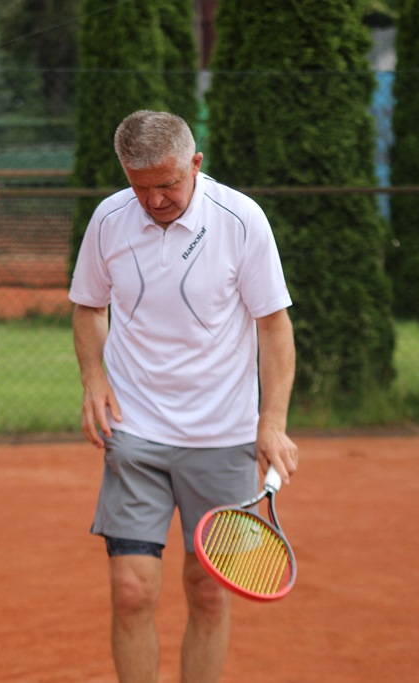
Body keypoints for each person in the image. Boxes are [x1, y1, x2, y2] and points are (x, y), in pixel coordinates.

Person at [69, 110, 298, 682]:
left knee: (209, 593)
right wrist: (92, 378)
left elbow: (273, 327)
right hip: (137, 429)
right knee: (130, 590)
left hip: (223, 439)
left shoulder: (241, 220)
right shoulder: (109, 220)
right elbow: (89, 306)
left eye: (167, 184)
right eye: (139, 186)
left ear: (196, 163)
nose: (154, 200)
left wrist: (271, 422)